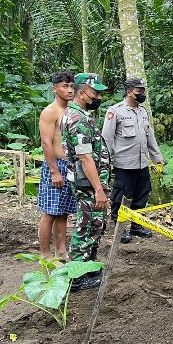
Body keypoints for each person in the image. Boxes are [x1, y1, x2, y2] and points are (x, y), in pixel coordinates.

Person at [62, 72, 111, 290]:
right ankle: (76, 276)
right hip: (88, 183)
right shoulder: (78, 119)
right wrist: (99, 189)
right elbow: (85, 157)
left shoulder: (80, 115)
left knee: (95, 223)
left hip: (89, 182)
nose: (98, 97)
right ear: (82, 93)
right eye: (95, 93)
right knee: (86, 224)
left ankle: (88, 266)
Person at [102, 78, 164, 243]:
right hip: (124, 164)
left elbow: (149, 136)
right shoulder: (116, 111)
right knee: (121, 197)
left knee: (142, 194)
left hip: (142, 162)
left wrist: (157, 158)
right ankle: (119, 228)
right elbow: (107, 139)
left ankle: (137, 226)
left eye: (143, 90)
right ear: (129, 91)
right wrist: (106, 162)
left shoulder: (143, 111)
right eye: (138, 91)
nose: (141, 94)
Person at [37, 70, 77, 261]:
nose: (70, 90)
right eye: (65, 86)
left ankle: (61, 251)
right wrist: (54, 171)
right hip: (56, 166)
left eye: (71, 86)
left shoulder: (72, 110)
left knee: (63, 212)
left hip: (69, 166)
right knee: (50, 213)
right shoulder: (50, 112)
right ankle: (45, 255)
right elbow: (46, 143)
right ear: (55, 89)